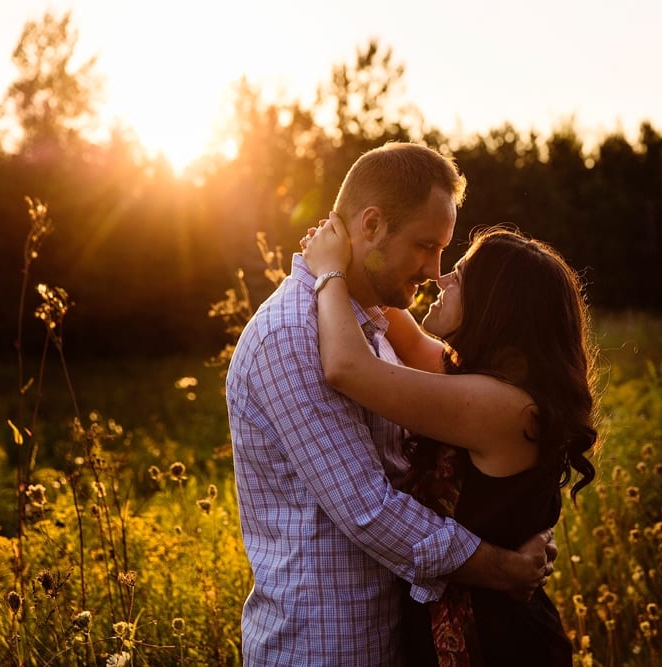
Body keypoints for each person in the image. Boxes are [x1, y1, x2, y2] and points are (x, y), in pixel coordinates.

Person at [226, 143, 556, 666]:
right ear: (372, 224)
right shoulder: (292, 336)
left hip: (391, 636)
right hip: (322, 647)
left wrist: (530, 527)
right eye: (426, 246)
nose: (434, 270)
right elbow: (368, 510)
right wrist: (506, 566)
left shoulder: (369, 329)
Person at [302, 212, 598, 665]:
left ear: (495, 305)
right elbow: (411, 338)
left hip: (499, 644)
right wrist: (370, 251)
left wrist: (329, 272)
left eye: (457, 276)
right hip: (468, 628)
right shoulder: (487, 382)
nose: (437, 278)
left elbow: (347, 368)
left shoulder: (502, 406)